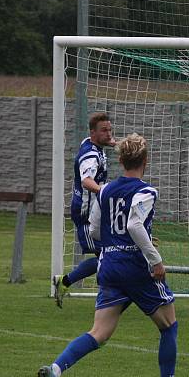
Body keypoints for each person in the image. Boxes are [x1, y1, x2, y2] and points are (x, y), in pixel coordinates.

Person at [37, 133, 189, 377]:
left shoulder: (104, 190)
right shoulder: (147, 191)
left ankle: (55, 371)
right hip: (135, 267)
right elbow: (134, 225)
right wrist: (154, 259)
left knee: (99, 333)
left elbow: (94, 230)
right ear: (146, 160)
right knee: (169, 325)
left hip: (108, 265)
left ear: (120, 161)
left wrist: (114, 243)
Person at [52, 112, 116, 308]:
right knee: (108, 256)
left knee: (110, 255)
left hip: (97, 212)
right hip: (87, 215)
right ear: (93, 133)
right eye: (104, 130)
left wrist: (116, 143)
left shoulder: (90, 144)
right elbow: (86, 181)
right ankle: (67, 283)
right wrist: (104, 191)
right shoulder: (89, 156)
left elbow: (101, 142)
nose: (109, 134)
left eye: (110, 130)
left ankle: (66, 282)